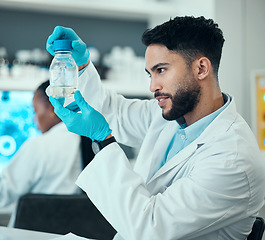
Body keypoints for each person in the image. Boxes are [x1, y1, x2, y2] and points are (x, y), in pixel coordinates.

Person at [47, 16, 265, 240]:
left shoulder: (234, 160)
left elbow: (150, 228)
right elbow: (113, 112)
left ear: (201, 68)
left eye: (161, 70)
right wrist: (81, 66)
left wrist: (103, 140)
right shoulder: (168, 115)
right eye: (150, 74)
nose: (152, 86)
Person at [0, 80, 93, 227]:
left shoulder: (40, 146)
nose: (34, 119)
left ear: (51, 107)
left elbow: (4, 193)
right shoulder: (90, 143)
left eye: (35, 111)